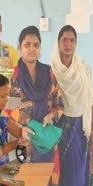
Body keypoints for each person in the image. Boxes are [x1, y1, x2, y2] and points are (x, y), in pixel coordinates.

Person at [50, 25, 93, 186]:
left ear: (76, 43)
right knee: (59, 175)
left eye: (72, 40)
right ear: (58, 42)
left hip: (79, 129)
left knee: (78, 174)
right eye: (64, 40)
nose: (68, 44)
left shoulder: (84, 68)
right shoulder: (52, 70)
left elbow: (91, 101)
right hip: (58, 128)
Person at [10, 26, 63, 163]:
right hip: (21, 137)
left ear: (40, 49)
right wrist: (25, 122)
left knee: (43, 179)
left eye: (36, 45)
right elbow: (5, 110)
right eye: (27, 45)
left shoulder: (49, 74)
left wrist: (52, 115)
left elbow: (59, 105)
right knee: (21, 178)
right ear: (20, 47)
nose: (32, 49)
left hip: (44, 137)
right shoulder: (12, 76)